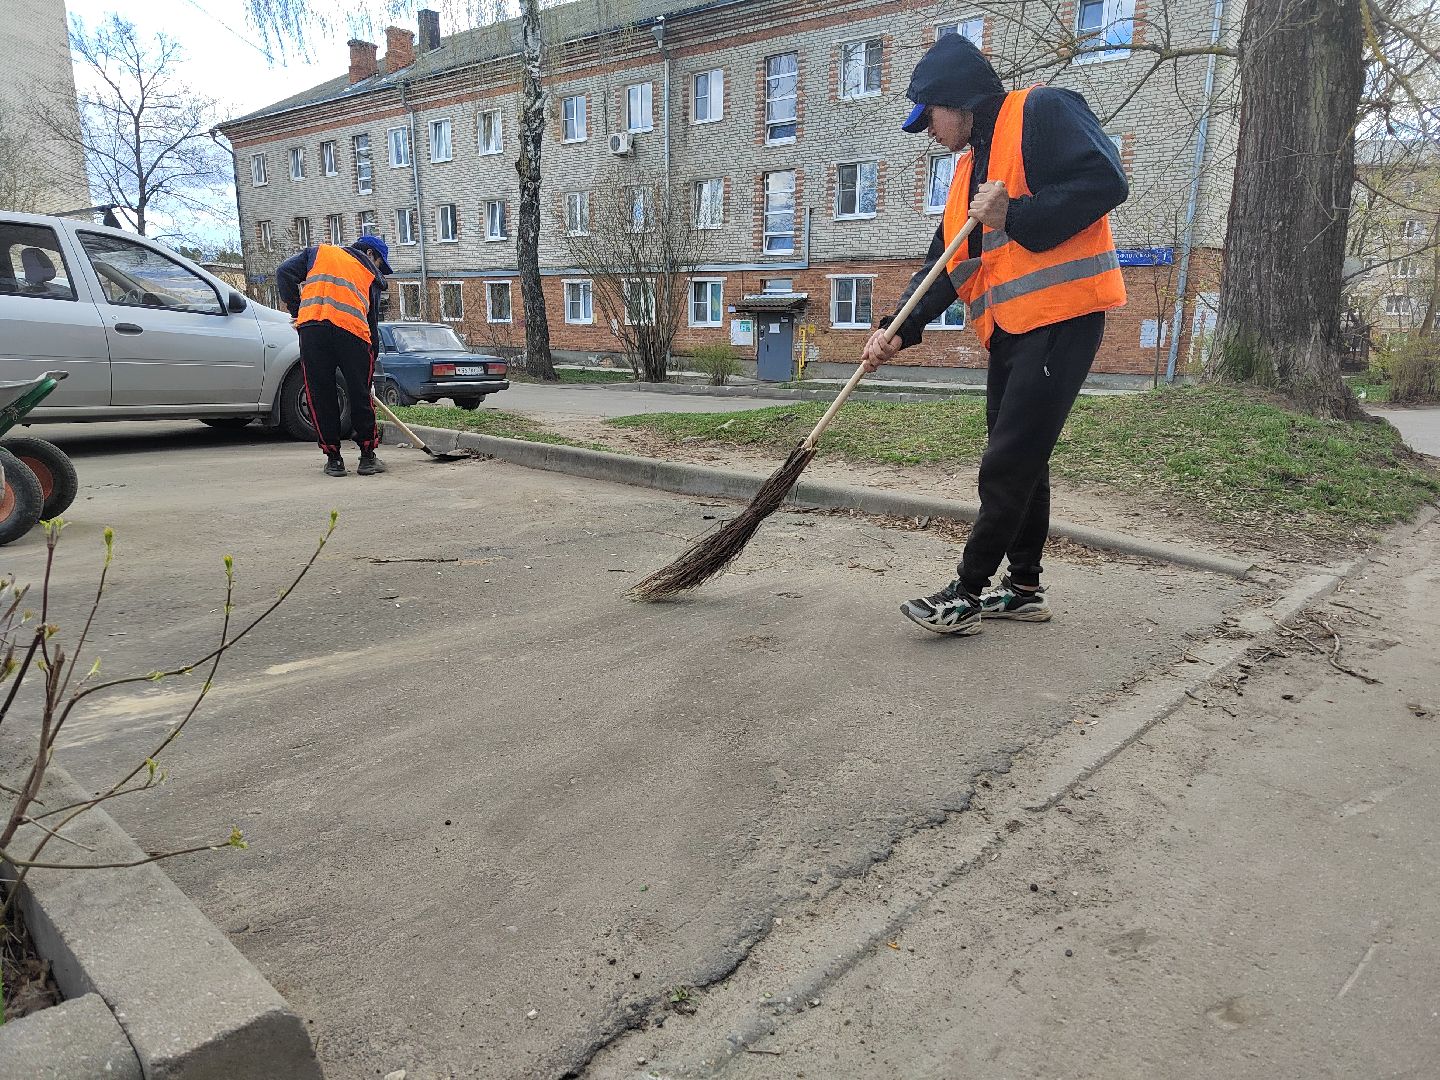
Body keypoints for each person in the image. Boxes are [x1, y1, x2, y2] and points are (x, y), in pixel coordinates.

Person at [861, 33, 1129, 637]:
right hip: (1010, 332)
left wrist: (1018, 214)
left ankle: (967, 591)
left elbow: (1107, 181)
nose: (929, 131)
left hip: (1061, 318)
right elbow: (946, 264)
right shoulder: (966, 174)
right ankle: (1024, 589)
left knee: (1008, 459)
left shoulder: (1043, 110)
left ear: (957, 102)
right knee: (1024, 457)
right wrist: (896, 329)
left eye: (930, 117)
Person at [276, 233, 393, 477]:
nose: (379, 268)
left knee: (320, 395)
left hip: (312, 330)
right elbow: (371, 321)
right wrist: (371, 361)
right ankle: (367, 458)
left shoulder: (318, 253)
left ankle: (334, 460)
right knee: (360, 395)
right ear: (370, 253)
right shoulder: (368, 269)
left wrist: (298, 311)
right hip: (353, 332)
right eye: (380, 262)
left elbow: (284, 272)